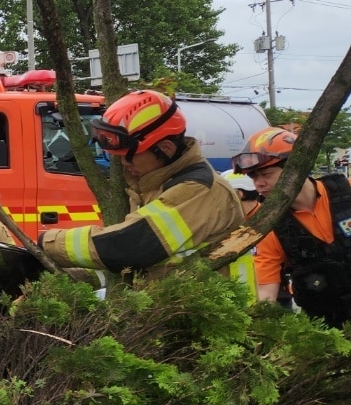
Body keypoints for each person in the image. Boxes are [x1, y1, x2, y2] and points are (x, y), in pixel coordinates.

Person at [39, 90, 250, 288]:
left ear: (165, 148)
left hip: (208, 317)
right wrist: (62, 277)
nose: (123, 163)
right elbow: (139, 269)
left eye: (129, 155)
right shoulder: (154, 186)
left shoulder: (199, 190)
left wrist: (44, 243)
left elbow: (128, 247)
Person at [233, 126, 351, 325]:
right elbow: (266, 292)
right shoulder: (269, 226)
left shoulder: (347, 191)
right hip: (330, 333)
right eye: (253, 177)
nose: (258, 184)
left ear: (296, 167)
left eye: (266, 174)